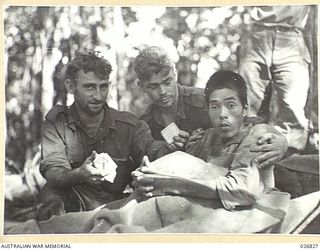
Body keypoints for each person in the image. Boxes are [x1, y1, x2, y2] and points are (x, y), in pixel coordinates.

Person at [36, 51, 179, 221]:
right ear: (71, 87)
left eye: (103, 86)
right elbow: (54, 174)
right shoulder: (56, 124)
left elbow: (151, 149)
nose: (98, 96)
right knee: (52, 205)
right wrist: (80, 174)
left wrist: (169, 148)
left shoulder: (129, 125)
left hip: (113, 204)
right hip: (68, 202)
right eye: (89, 87)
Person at [134, 46, 287, 168]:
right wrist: (171, 149)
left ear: (175, 74)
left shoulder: (204, 101)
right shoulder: (145, 123)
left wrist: (281, 141)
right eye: (153, 86)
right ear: (141, 86)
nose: (163, 92)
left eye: (167, 82)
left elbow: (252, 122)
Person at [238, 5, 312, 151]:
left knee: (293, 107)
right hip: (257, 33)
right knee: (249, 106)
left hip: (291, 35)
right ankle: (248, 159)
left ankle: (290, 164)